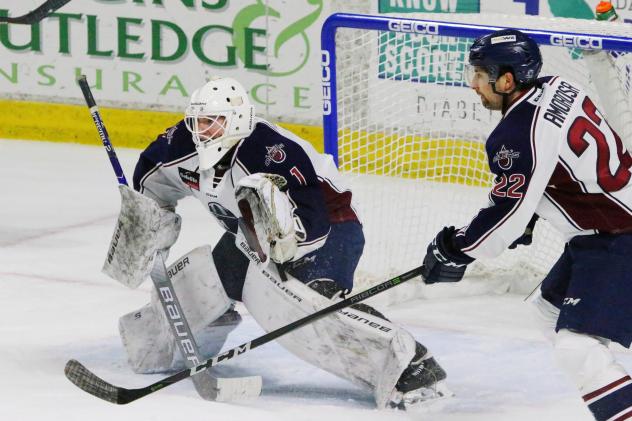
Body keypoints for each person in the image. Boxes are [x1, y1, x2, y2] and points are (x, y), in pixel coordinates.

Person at [110, 75, 449, 408]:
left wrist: (287, 250)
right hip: (249, 237)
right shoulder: (182, 143)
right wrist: (148, 220)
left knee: (307, 308)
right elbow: (151, 177)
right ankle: (156, 345)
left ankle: (412, 365)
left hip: (331, 230)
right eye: (198, 121)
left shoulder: (271, 152)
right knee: (201, 283)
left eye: (213, 122)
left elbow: (314, 224)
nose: (203, 130)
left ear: (238, 121)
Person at [420, 27, 632, 421]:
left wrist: (458, 249)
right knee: (547, 310)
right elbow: (555, 167)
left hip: (618, 238)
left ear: (506, 80)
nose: (474, 85)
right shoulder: (558, 85)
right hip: (602, 232)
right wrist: (532, 213)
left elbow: (506, 214)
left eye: (480, 76)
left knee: (577, 348)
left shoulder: (516, 132)